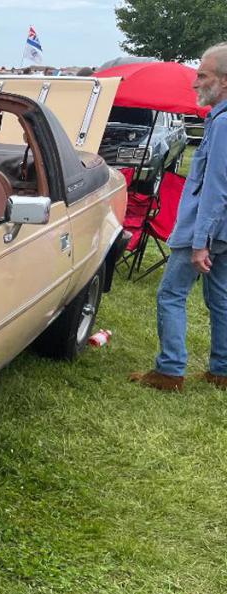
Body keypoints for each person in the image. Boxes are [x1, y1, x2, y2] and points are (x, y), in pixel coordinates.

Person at [132, 43, 227, 392]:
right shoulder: (219, 119)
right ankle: (222, 370)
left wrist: (200, 242)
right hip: (221, 229)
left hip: (206, 229)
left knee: (170, 294)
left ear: (224, 81)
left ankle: (169, 371)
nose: (195, 82)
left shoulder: (222, 123)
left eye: (203, 75)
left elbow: (215, 189)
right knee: (220, 298)